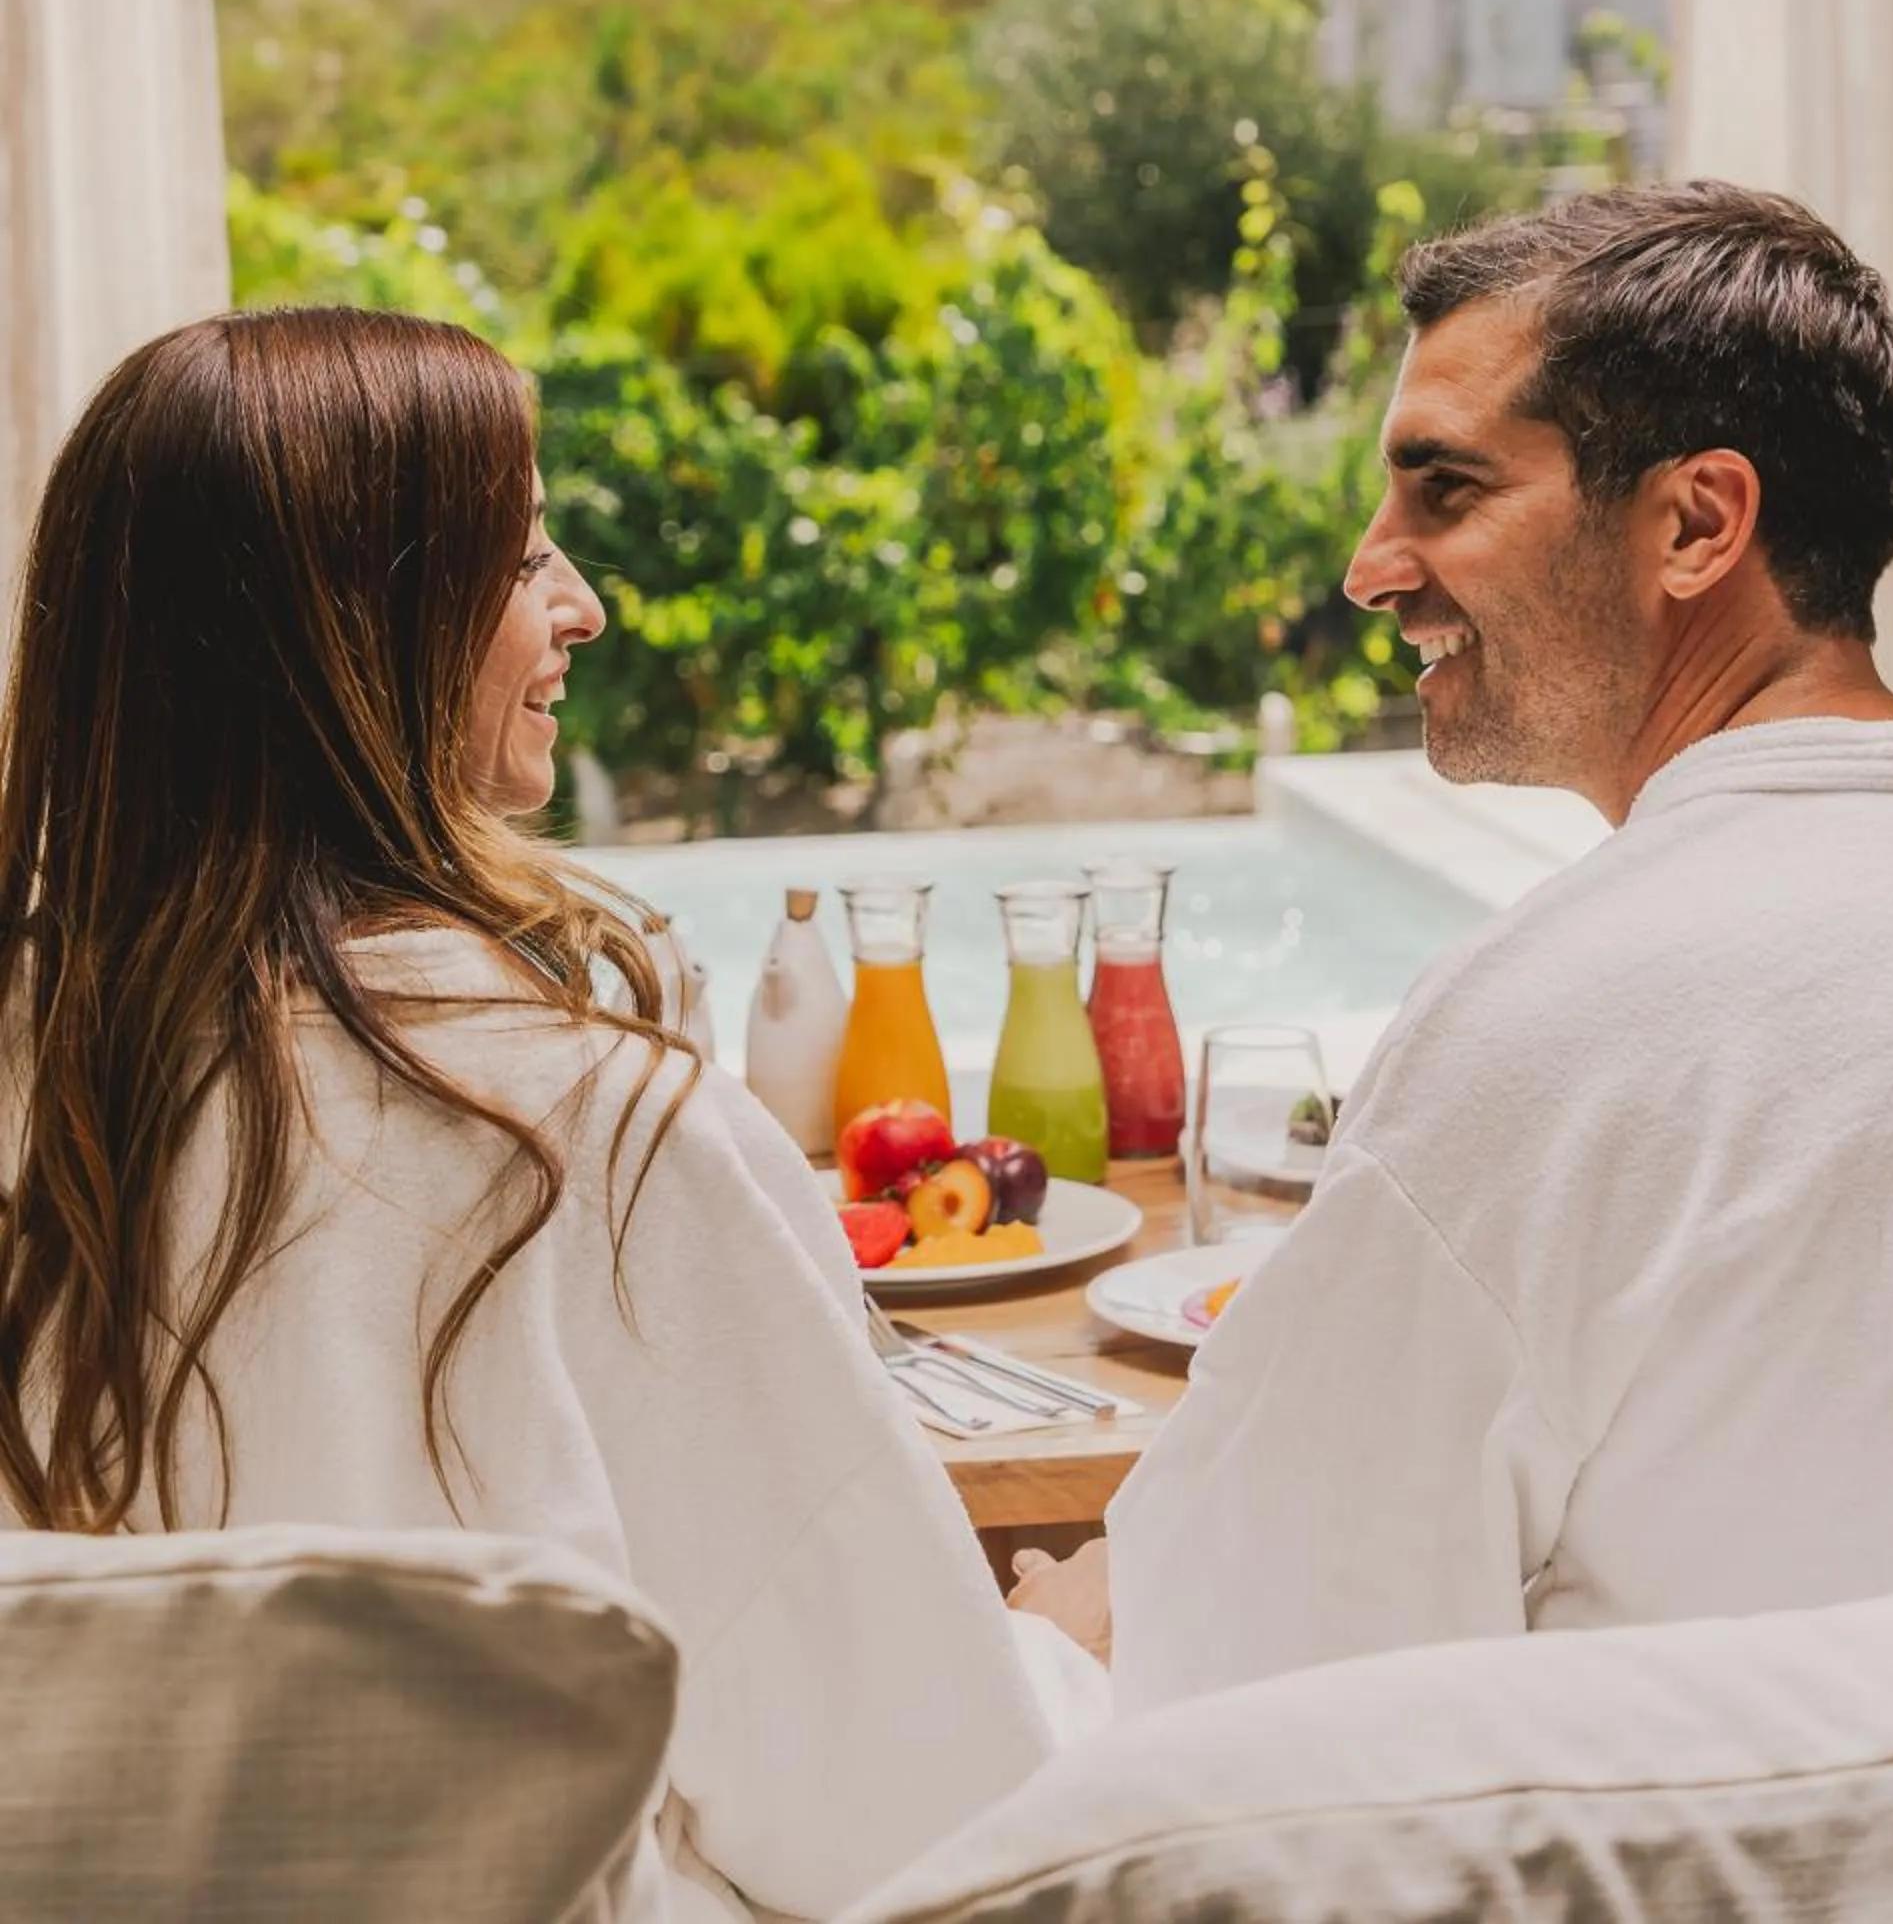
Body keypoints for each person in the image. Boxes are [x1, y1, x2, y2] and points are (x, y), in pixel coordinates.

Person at [0, 307, 1101, 1920]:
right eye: (520, 560)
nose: (582, 602)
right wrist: (1050, 1659)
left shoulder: (53, 1078)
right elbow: (930, 1828)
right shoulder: (598, 1138)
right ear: (348, 640)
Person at [1019, 180, 1893, 1705]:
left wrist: (1074, 1628)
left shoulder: (1565, 1023)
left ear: (1694, 523)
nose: (1370, 563)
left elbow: (1246, 1675)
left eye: (1447, 490)